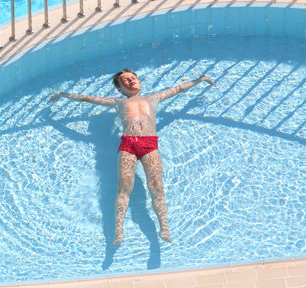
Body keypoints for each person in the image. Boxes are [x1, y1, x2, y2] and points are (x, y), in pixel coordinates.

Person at [49, 69, 215, 245]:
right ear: (120, 89)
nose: (130, 81)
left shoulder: (153, 98)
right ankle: (118, 231)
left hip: (149, 144)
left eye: (132, 78)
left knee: (156, 185)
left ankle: (164, 228)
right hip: (128, 144)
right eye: (125, 81)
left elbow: (179, 88)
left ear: (139, 82)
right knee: (124, 185)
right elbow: (86, 98)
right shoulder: (118, 102)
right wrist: (62, 94)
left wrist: (200, 80)